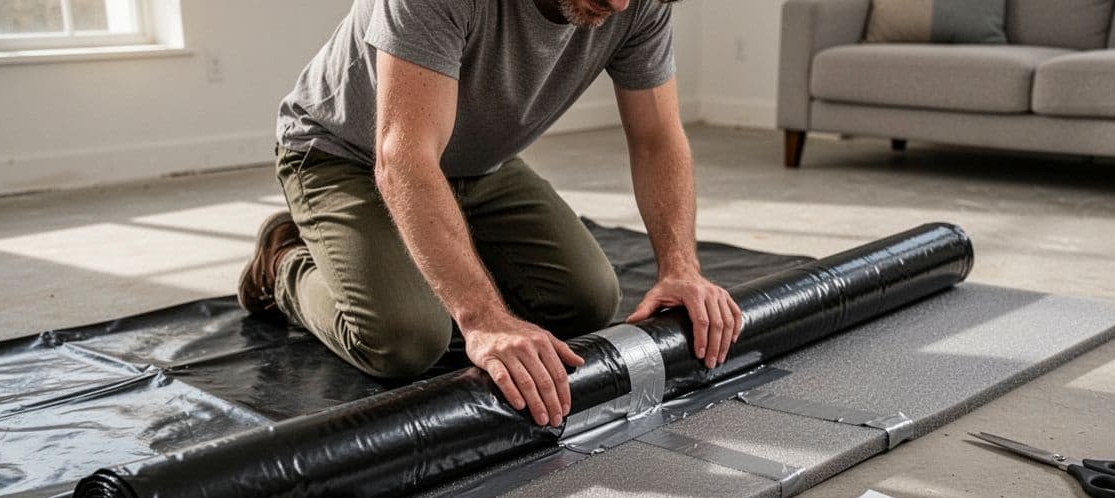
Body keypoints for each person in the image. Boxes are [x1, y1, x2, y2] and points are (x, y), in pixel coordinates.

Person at [239, 0, 742, 429]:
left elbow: (658, 140)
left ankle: (436, 247)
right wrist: (484, 320)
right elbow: (403, 159)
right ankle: (283, 261)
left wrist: (681, 268)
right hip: (346, 155)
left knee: (587, 301)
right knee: (407, 340)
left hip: (477, 164)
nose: (618, 6)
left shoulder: (637, 3)